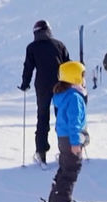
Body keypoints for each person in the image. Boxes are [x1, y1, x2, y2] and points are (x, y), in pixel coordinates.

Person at [40, 61, 90, 202]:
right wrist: (75, 142)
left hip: (64, 137)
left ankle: (57, 197)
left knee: (65, 167)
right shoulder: (74, 97)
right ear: (75, 77)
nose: (84, 79)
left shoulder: (66, 95)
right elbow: (74, 122)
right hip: (70, 138)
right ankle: (63, 200)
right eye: (82, 76)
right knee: (71, 168)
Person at [19, 19, 70, 165]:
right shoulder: (59, 45)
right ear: (48, 30)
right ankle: (65, 151)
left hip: (42, 86)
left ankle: (41, 153)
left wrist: (25, 84)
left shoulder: (32, 47)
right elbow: (67, 64)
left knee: (42, 117)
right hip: (60, 84)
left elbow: (28, 67)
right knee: (62, 117)